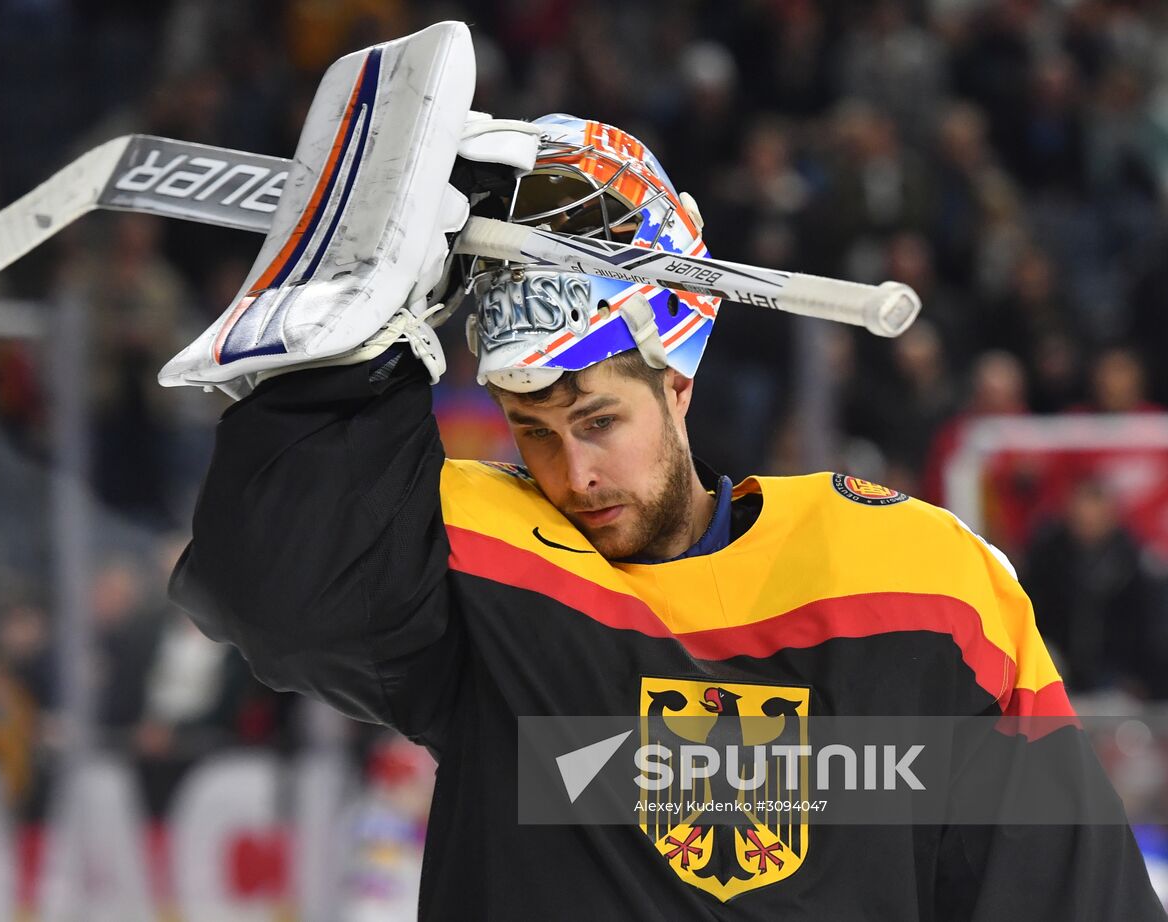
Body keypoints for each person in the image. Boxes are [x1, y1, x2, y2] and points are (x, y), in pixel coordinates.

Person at [169, 115, 1164, 918]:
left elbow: (1062, 888)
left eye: (599, 418)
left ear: (678, 380)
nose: (573, 471)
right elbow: (269, 587)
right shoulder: (486, 554)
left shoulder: (916, 578)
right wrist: (358, 341)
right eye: (532, 429)